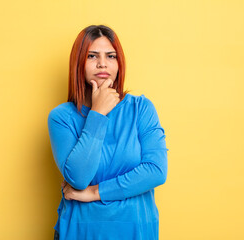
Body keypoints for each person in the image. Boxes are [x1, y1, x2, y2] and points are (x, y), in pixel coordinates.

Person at [47, 25, 169, 240]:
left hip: (135, 232)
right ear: (78, 63)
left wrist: (95, 193)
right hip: (81, 232)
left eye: (110, 56)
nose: (102, 63)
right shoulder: (61, 117)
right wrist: (98, 114)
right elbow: (78, 178)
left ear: (119, 63)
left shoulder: (140, 108)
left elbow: (156, 171)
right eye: (92, 56)